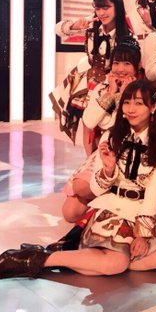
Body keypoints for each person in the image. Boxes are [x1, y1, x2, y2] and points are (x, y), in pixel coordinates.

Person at [0, 81, 156, 279]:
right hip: (114, 208)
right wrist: (108, 171)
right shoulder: (111, 136)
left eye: (139, 103)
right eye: (127, 102)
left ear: (153, 107)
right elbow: (96, 189)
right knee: (116, 262)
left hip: (143, 210)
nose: (131, 109)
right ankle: (40, 259)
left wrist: (142, 234)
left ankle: (101, 260)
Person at [61, 38, 143, 223]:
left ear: (137, 67)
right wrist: (111, 93)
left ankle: (106, 206)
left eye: (127, 64)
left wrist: (124, 95)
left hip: (130, 156)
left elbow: (120, 125)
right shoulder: (102, 88)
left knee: (82, 188)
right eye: (116, 63)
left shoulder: (142, 91)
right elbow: (90, 121)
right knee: (69, 212)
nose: (120, 69)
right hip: (106, 152)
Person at [51, 0, 132, 153]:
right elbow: (58, 29)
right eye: (98, 8)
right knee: (88, 125)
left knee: (107, 125)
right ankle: (89, 160)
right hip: (89, 82)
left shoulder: (127, 34)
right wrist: (75, 25)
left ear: (117, 6)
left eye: (106, 7)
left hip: (112, 84)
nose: (101, 13)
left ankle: (104, 160)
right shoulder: (92, 25)